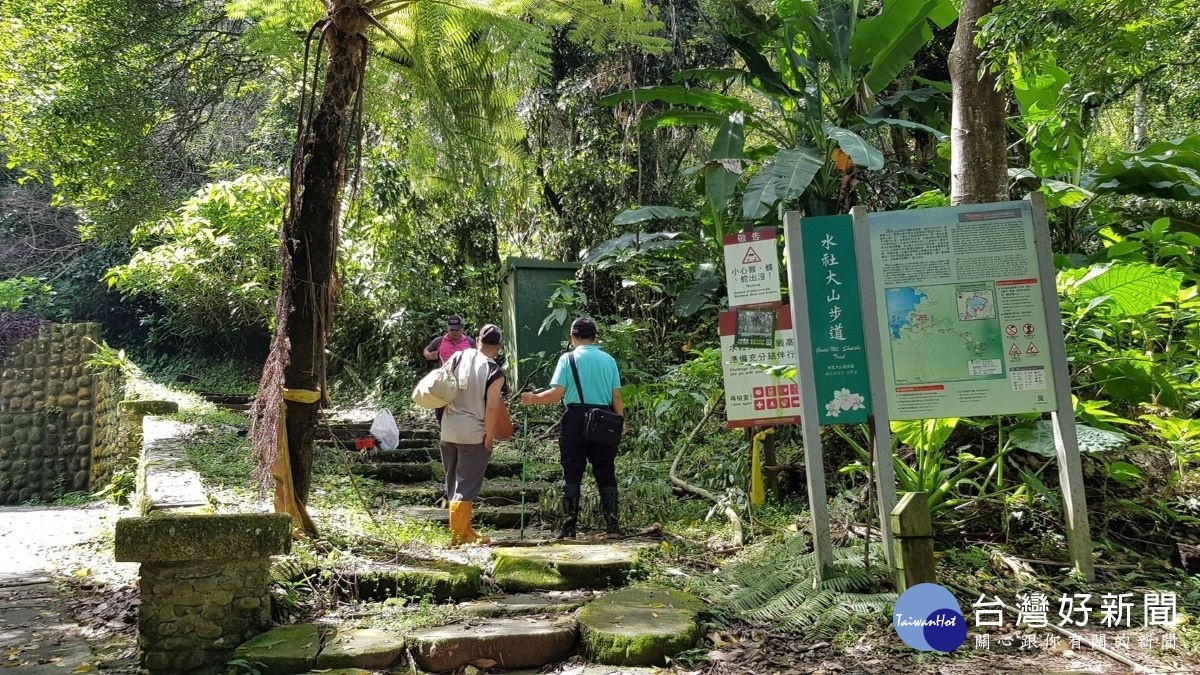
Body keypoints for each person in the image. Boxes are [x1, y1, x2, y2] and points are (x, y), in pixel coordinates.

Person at [520, 317, 624, 540]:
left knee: (572, 472)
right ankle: (613, 527)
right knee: (606, 471)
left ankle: (569, 529)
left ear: (573, 337)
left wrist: (532, 399)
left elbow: (557, 394)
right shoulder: (609, 360)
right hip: (605, 419)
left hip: (576, 418)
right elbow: (616, 397)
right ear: (595, 337)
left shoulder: (568, 359)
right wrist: (620, 424)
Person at [439, 323, 507, 546]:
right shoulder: (494, 371)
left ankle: (464, 529)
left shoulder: (458, 357)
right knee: (466, 484)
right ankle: (460, 536)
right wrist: (489, 435)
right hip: (473, 433)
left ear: (478, 340)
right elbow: (492, 408)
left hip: (449, 429)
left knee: (453, 482)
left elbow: (441, 387)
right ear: (498, 347)